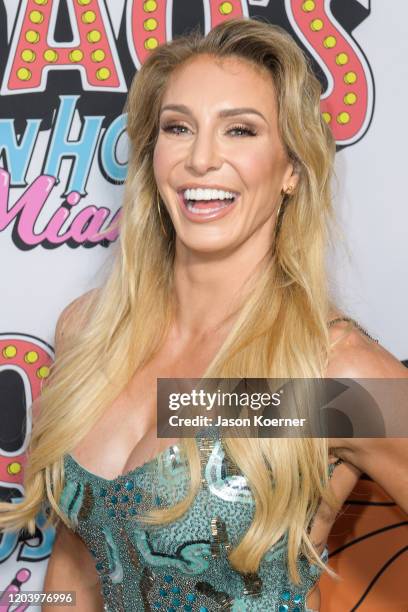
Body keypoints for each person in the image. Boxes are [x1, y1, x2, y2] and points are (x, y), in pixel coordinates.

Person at [1, 17, 407, 612]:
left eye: (240, 130)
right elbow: (77, 565)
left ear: (292, 168)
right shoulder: (89, 330)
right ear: (152, 154)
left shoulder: (324, 370)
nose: (202, 159)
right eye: (178, 127)